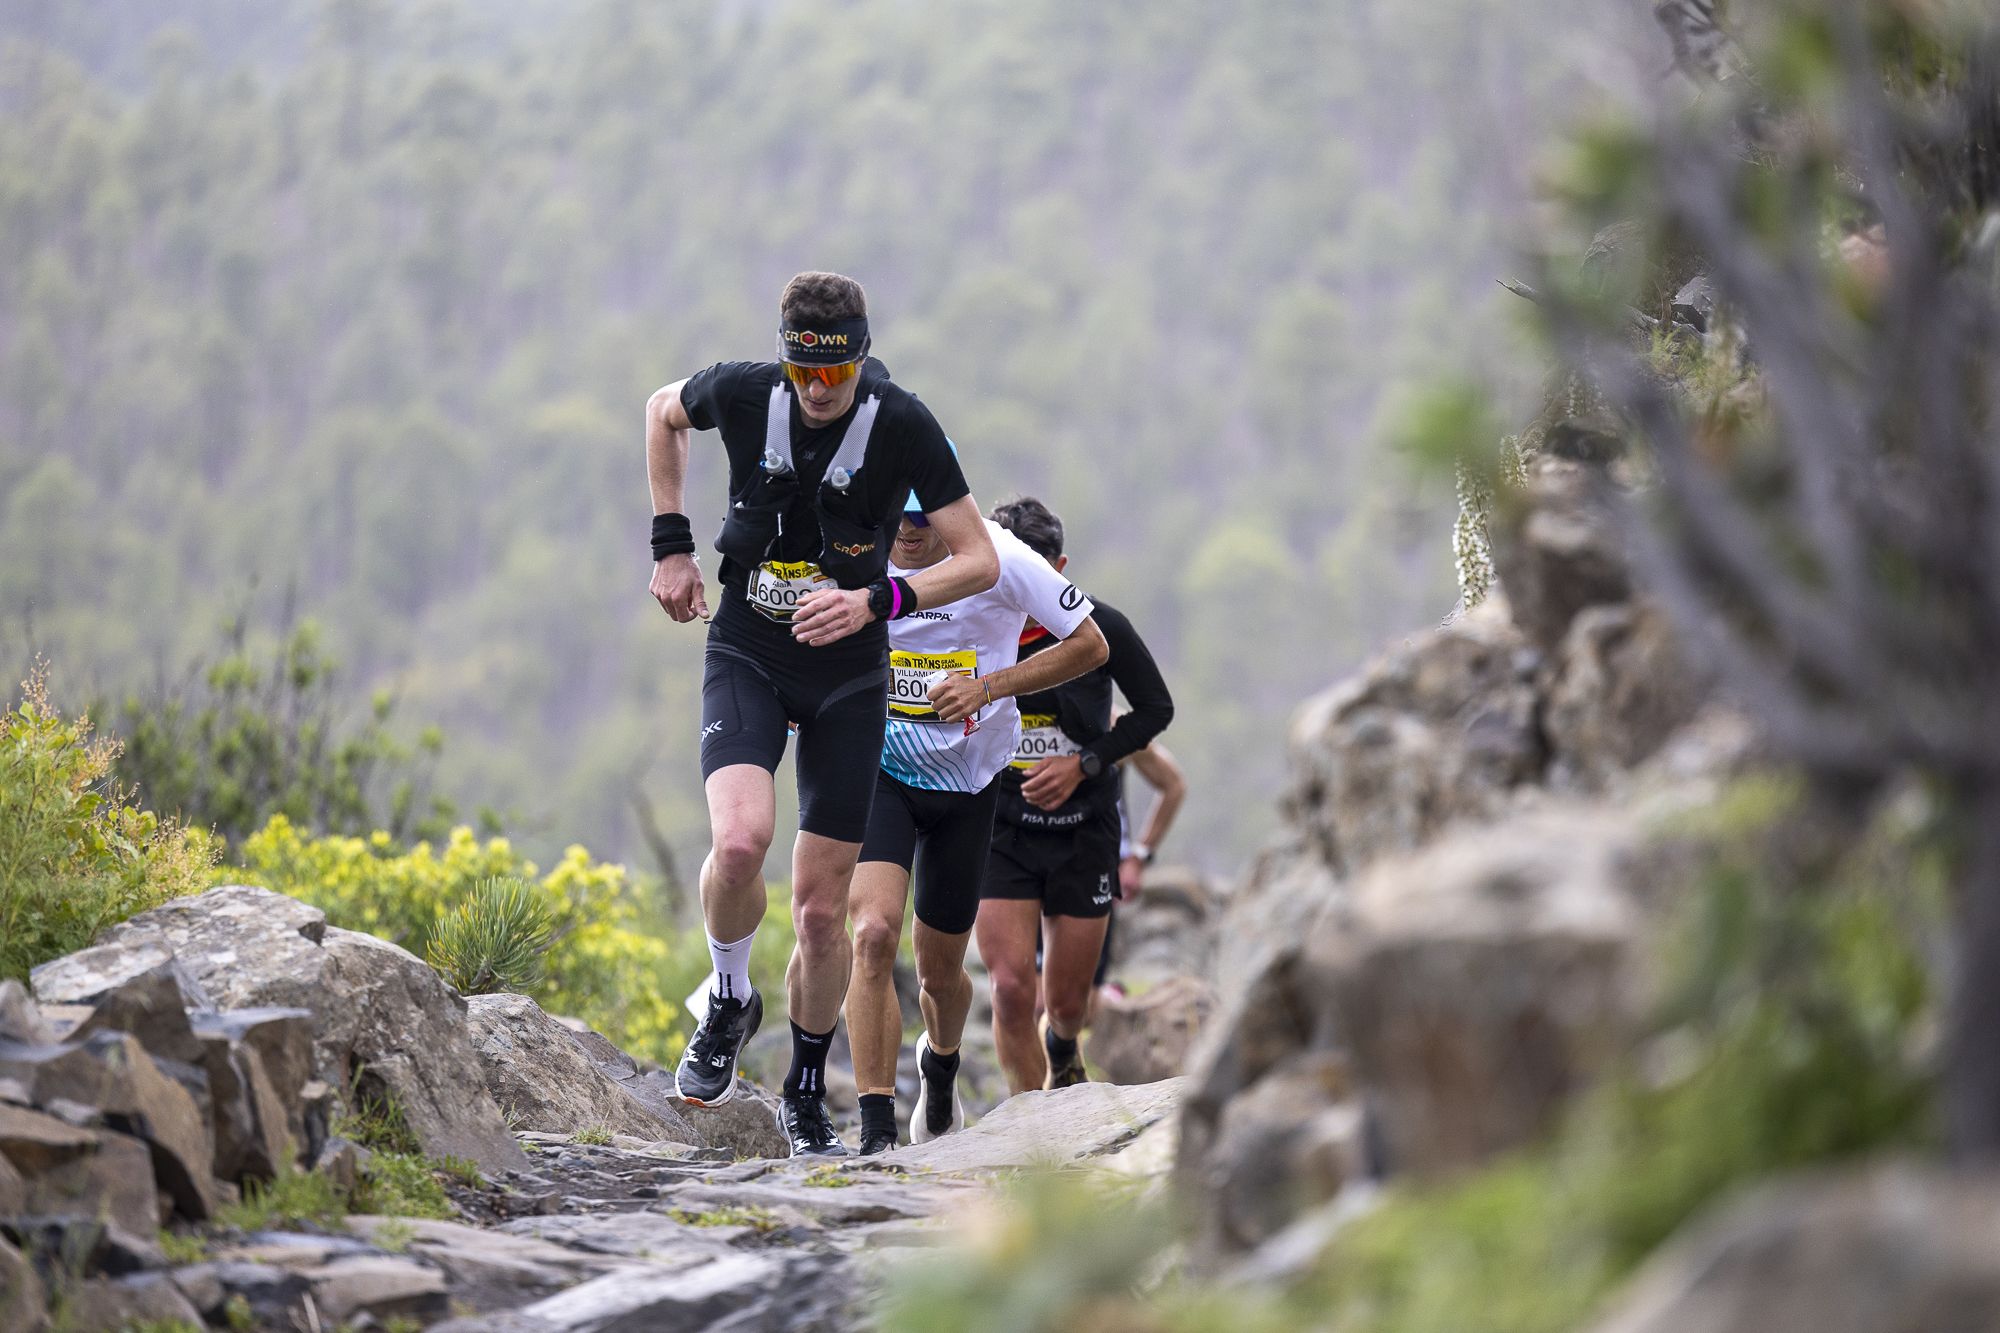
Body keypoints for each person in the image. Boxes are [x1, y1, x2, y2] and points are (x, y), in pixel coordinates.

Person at [645, 272, 999, 1156]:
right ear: (786, 356)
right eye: (803, 371)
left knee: (818, 913)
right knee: (738, 844)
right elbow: (661, 412)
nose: (816, 390)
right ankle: (728, 996)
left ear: (861, 359)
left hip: (847, 674)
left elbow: (980, 558)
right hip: (749, 649)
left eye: (833, 375)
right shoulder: (745, 390)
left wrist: (880, 597)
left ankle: (806, 1087)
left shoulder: (903, 424)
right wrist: (672, 546)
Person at [843, 492, 1110, 1155]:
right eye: (894, 515)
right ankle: (876, 1133)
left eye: (921, 517)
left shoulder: (1005, 557)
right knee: (873, 933)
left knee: (940, 972)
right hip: (882, 772)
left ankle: (941, 1058)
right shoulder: (855, 545)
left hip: (969, 783)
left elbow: (1092, 643)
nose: (905, 530)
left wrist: (989, 687)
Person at [974, 497, 1174, 1094]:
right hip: (1002, 830)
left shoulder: (1101, 627)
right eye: (1013, 573)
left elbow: (1156, 710)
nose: (1028, 590)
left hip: (1084, 832)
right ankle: (1031, 1131)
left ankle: (1063, 1050)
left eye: (1041, 574)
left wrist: (1084, 763)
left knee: (1064, 1005)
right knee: (1012, 991)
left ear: (1060, 568)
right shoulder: (974, 622)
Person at [1093, 736, 1188, 1012]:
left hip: (1099, 866)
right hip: (1028, 861)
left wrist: (1138, 857)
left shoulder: (1110, 721)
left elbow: (1174, 785)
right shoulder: (1016, 709)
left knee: (1078, 1001)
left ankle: (1107, 1001)